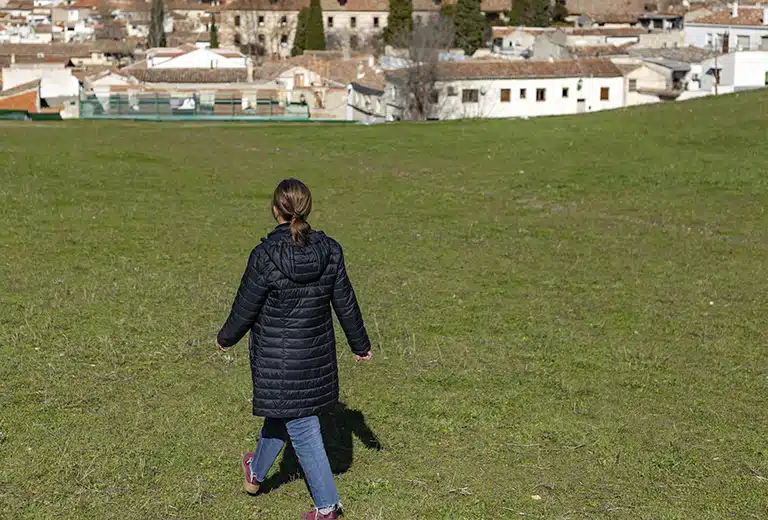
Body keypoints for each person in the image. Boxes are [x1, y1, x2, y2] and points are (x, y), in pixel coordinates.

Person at [216, 178, 372, 520]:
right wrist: (360, 344)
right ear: (307, 209)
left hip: (277, 361)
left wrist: (224, 338)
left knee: (302, 425)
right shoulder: (330, 250)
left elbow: (245, 307)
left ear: (275, 211)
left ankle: (327, 507)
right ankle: (255, 472)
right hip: (314, 360)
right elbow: (346, 302)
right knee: (283, 411)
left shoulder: (264, 255)